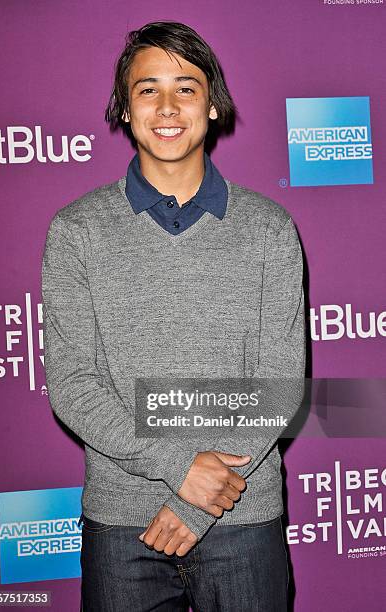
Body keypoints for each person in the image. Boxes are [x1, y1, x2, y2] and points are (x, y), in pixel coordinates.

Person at [41, 20, 306, 612]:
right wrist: (178, 468)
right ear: (124, 108)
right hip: (121, 528)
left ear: (212, 105)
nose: (167, 106)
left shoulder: (269, 230)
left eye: (186, 88)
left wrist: (196, 501)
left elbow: (279, 384)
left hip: (243, 519)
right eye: (147, 89)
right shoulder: (77, 232)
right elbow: (75, 387)